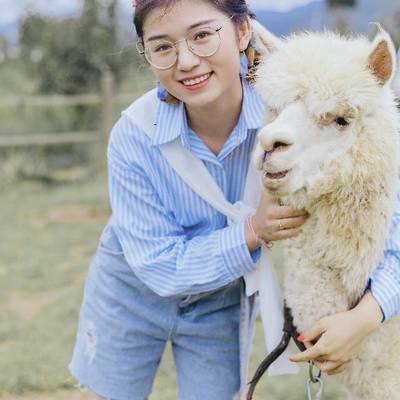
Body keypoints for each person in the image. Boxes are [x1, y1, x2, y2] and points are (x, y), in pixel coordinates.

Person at [68, 1, 400, 399]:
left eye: (202, 35)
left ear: (243, 32)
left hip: (222, 297)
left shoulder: (287, 113)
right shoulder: (135, 136)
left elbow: (387, 222)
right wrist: (253, 231)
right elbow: (157, 264)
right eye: (163, 47)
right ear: (147, 54)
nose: (186, 61)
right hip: (131, 294)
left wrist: (369, 313)